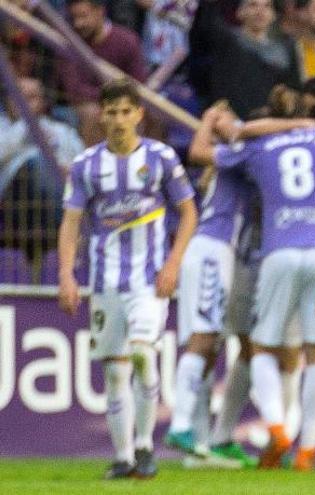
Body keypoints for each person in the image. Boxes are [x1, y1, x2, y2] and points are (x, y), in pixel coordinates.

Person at [190, 100, 315, 469]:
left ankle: (276, 426)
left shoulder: (257, 148)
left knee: (261, 348)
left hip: (277, 251)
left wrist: (239, 128)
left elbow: (201, 153)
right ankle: (307, 449)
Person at [56, 79, 198, 479]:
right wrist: (67, 275)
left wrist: (173, 263)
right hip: (105, 282)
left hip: (149, 280)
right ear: (102, 115)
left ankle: (145, 446)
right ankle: (123, 458)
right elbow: (71, 223)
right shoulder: (87, 166)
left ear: (139, 114)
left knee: (141, 353)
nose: (118, 119)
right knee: (115, 371)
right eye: (111, 112)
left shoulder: (161, 158)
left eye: (125, 111)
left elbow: (188, 212)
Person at [166, 101, 315, 458]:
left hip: (227, 255)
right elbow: (206, 147)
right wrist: (294, 123)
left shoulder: (242, 155)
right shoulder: (246, 152)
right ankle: (182, 427)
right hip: (212, 250)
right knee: (203, 340)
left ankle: (210, 440)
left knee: (224, 344)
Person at [0, 77, 85, 259]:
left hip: (57, 195)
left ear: (43, 102)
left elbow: (83, 165)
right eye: (19, 97)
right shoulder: (3, 128)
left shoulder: (62, 131)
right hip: (14, 202)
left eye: (31, 98)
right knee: (37, 163)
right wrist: (27, 126)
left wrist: (65, 170)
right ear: (8, 100)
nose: (24, 103)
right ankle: (71, 233)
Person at [57, 0, 149, 145]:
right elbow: (74, 90)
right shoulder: (69, 42)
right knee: (94, 114)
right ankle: (96, 165)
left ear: (100, 12)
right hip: (84, 106)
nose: (78, 24)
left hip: (124, 101)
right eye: (74, 18)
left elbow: (139, 82)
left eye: (83, 16)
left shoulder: (127, 40)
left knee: (151, 114)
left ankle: (149, 164)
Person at [189, 0, 301, 118]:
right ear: (239, 12)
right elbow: (205, 25)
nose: (260, 11)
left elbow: (291, 90)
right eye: (253, 5)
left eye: (267, 6)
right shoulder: (226, 42)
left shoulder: (285, 52)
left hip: (266, 123)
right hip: (227, 120)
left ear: (274, 15)